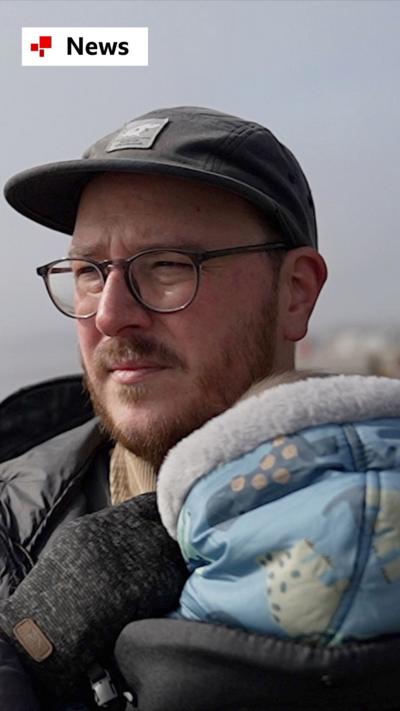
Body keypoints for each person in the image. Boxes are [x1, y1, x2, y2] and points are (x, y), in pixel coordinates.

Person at [1, 105, 398, 710]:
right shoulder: (10, 523)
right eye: (87, 272)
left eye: (166, 266)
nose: (109, 315)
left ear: (294, 293)